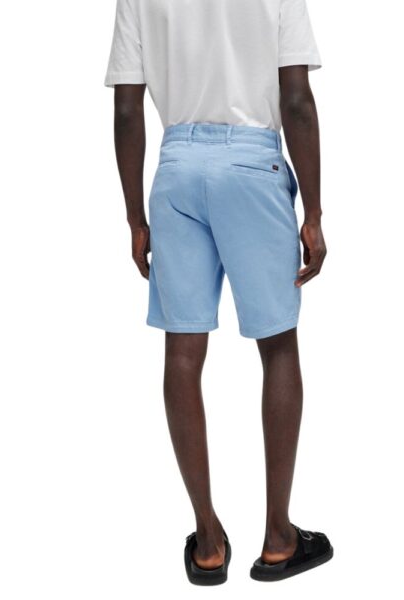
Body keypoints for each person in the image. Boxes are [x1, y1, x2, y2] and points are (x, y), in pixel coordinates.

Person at [104, 0, 331, 585]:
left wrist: (134, 217)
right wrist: (313, 213)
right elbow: (297, 101)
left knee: (182, 352)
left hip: (176, 167)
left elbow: (127, 109)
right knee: (277, 345)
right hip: (253, 167)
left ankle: (208, 541)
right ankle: (278, 538)